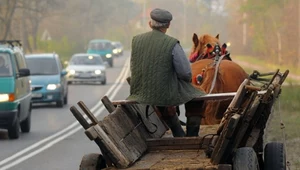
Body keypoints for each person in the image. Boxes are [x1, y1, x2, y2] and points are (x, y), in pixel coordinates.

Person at [127, 8, 205, 137]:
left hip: (139, 91)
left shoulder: (136, 41)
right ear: (168, 25)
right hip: (163, 92)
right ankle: (189, 135)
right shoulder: (172, 43)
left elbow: (134, 66)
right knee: (197, 97)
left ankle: (177, 130)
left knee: (165, 96)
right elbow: (185, 74)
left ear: (150, 23)